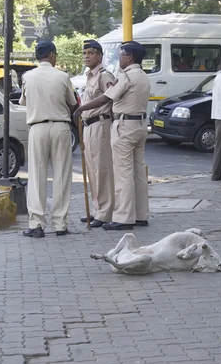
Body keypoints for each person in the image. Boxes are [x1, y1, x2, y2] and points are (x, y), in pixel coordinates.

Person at [74, 40, 150, 231]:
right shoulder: (143, 75)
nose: (119, 58)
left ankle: (124, 218)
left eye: (122, 55)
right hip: (140, 124)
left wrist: (81, 108)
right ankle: (141, 215)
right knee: (138, 173)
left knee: (122, 173)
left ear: (130, 57)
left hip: (124, 126)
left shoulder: (125, 76)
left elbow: (107, 97)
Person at [19, 40, 77, 238]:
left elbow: (24, 101)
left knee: (37, 175)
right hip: (60, 127)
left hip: (37, 128)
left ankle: (36, 224)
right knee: (61, 175)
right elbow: (72, 102)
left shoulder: (28, 77)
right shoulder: (62, 76)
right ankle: (60, 224)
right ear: (52, 55)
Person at [79, 39, 115, 228]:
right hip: (88, 126)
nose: (87, 56)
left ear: (99, 56)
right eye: (85, 53)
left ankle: (105, 212)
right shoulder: (89, 77)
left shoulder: (103, 75)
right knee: (92, 170)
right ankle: (97, 209)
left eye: (91, 53)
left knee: (103, 169)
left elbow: (110, 97)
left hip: (100, 124)